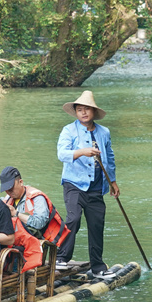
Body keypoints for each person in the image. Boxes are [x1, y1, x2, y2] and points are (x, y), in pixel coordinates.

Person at [56, 90, 119, 279]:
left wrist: (113, 182)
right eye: (80, 110)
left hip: (97, 186)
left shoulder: (104, 132)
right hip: (74, 184)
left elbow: (110, 157)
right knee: (73, 218)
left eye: (87, 110)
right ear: (76, 112)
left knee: (96, 224)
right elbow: (62, 154)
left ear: (93, 112)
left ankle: (98, 267)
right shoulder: (69, 130)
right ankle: (61, 257)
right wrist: (82, 151)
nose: (83, 113)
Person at [0, 166, 68, 247]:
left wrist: (16, 214)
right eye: (6, 189)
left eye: (11, 188)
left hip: (34, 239)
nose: (9, 192)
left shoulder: (37, 198)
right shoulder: (7, 199)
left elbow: (40, 223)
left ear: (21, 182)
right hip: (13, 236)